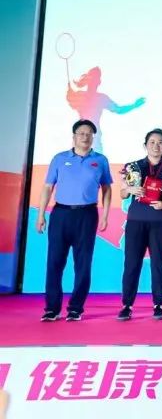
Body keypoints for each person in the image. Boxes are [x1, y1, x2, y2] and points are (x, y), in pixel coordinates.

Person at [38, 119, 112, 322]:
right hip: (61, 214)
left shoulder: (100, 160)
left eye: (89, 134)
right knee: (54, 262)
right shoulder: (60, 159)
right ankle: (52, 308)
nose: (85, 137)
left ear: (93, 137)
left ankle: (76, 308)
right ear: (74, 136)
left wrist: (105, 215)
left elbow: (107, 189)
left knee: (83, 263)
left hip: (87, 215)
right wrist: (41, 215)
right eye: (81, 133)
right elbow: (47, 187)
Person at [117, 128, 162, 321]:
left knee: (159, 264)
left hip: (159, 222)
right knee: (131, 263)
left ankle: (158, 305)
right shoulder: (133, 166)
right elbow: (122, 193)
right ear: (145, 145)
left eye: (160, 142)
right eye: (152, 142)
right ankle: (127, 305)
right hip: (136, 221)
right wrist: (129, 189)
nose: (156, 146)